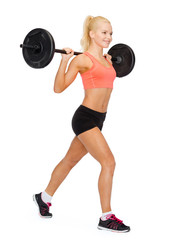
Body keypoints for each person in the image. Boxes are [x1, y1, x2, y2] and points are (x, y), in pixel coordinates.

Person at [33, 15, 130, 233]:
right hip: (85, 118)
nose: (109, 37)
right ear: (92, 34)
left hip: (100, 119)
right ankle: (106, 217)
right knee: (109, 162)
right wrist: (64, 61)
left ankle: (43, 197)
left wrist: (111, 59)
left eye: (111, 33)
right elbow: (58, 88)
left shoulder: (108, 59)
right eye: (104, 32)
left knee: (70, 160)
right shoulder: (83, 59)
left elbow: (116, 69)